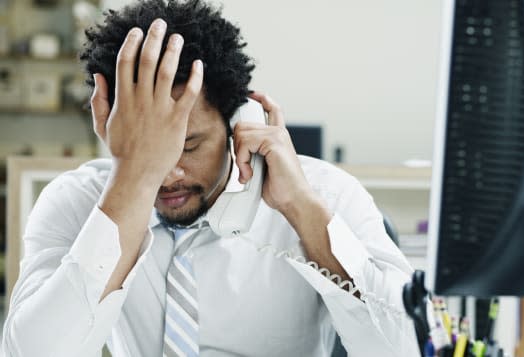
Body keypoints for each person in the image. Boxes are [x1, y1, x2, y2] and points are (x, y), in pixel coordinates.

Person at [1, 0, 418, 356]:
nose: (168, 174)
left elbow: (405, 347)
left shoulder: (325, 193)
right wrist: (131, 182)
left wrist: (302, 211)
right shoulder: (76, 202)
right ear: (106, 125)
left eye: (189, 146)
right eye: (149, 149)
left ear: (238, 121)